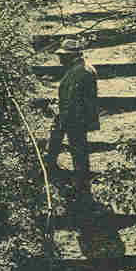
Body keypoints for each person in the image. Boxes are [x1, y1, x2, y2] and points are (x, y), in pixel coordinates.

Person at [45, 38, 100, 202]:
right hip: (73, 116)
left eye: (63, 56)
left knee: (79, 151)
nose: (60, 59)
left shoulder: (80, 72)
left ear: (72, 56)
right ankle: (55, 169)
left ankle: (81, 186)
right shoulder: (79, 69)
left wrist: (63, 117)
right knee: (74, 147)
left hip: (75, 118)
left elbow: (74, 100)